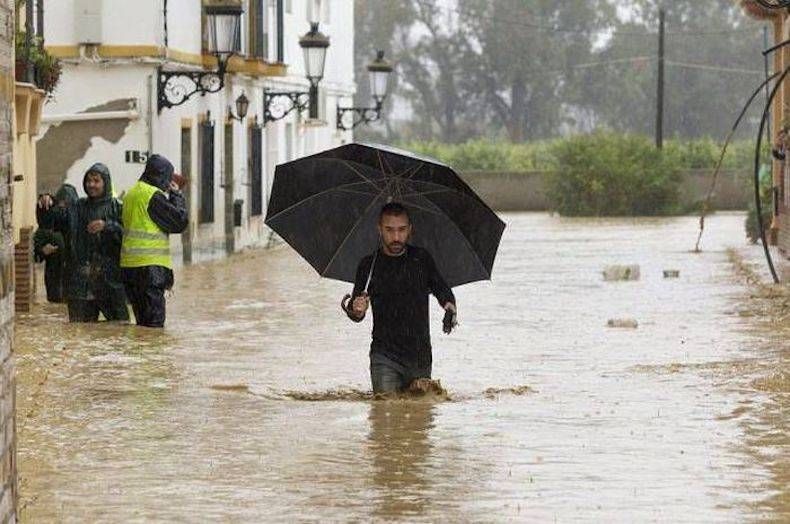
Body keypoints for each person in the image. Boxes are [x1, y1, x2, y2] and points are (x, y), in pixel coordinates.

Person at [346, 202, 457, 395]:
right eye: (389, 230)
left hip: (420, 358)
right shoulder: (369, 265)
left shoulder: (421, 259)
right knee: (385, 413)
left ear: (410, 230)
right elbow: (356, 312)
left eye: (401, 230)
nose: (396, 237)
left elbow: (443, 290)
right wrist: (356, 308)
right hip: (384, 356)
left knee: (419, 421)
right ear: (379, 229)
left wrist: (450, 309)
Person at [37, 164, 129, 322]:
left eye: (96, 181)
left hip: (111, 282)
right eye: (88, 181)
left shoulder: (117, 207)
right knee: (79, 331)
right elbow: (51, 222)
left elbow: (128, 236)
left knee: (120, 327)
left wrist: (107, 226)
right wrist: (47, 203)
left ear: (105, 182)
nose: (91, 185)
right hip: (80, 283)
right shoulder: (77, 207)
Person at [121, 154, 188, 328]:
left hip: (130, 268)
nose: (167, 184)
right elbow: (179, 222)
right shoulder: (152, 196)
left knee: (142, 326)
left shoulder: (131, 193)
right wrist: (177, 195)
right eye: (167, 178)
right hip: (150, 270)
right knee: (154, 328)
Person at [33, 184, 78, 303]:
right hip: (55, 291)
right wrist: (43, 250)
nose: (64, 209)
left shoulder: (81, 227)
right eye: (61, 204)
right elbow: (35, 254)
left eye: (67, 205)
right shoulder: (49, 228)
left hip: (75, 291)